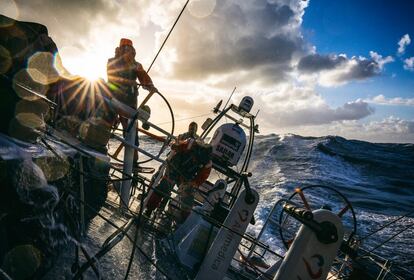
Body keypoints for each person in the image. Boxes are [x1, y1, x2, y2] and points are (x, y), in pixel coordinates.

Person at [145, 139, 212, 222]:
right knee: (164, 187)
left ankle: (184, 220)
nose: (196, 160)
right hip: (174, 169)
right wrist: (175, 146)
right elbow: (175, 146)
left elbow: (201, 179)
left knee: (188, 195)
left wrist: (192, 183)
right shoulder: (189, 145)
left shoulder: (207, 165)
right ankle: (149, 210)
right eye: (196, 158)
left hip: (186, 177)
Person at [107, 38, 157, 135]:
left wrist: (150, 86)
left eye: (129, 49)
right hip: (114, 98)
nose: (127, 51)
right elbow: (111, 78)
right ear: (120, 49)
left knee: (130, 129)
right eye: (124, 48)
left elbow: (143, 77)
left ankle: (133, 146)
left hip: (130, 100)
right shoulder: (112, 62)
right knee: (109, 120)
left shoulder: (136, 65)